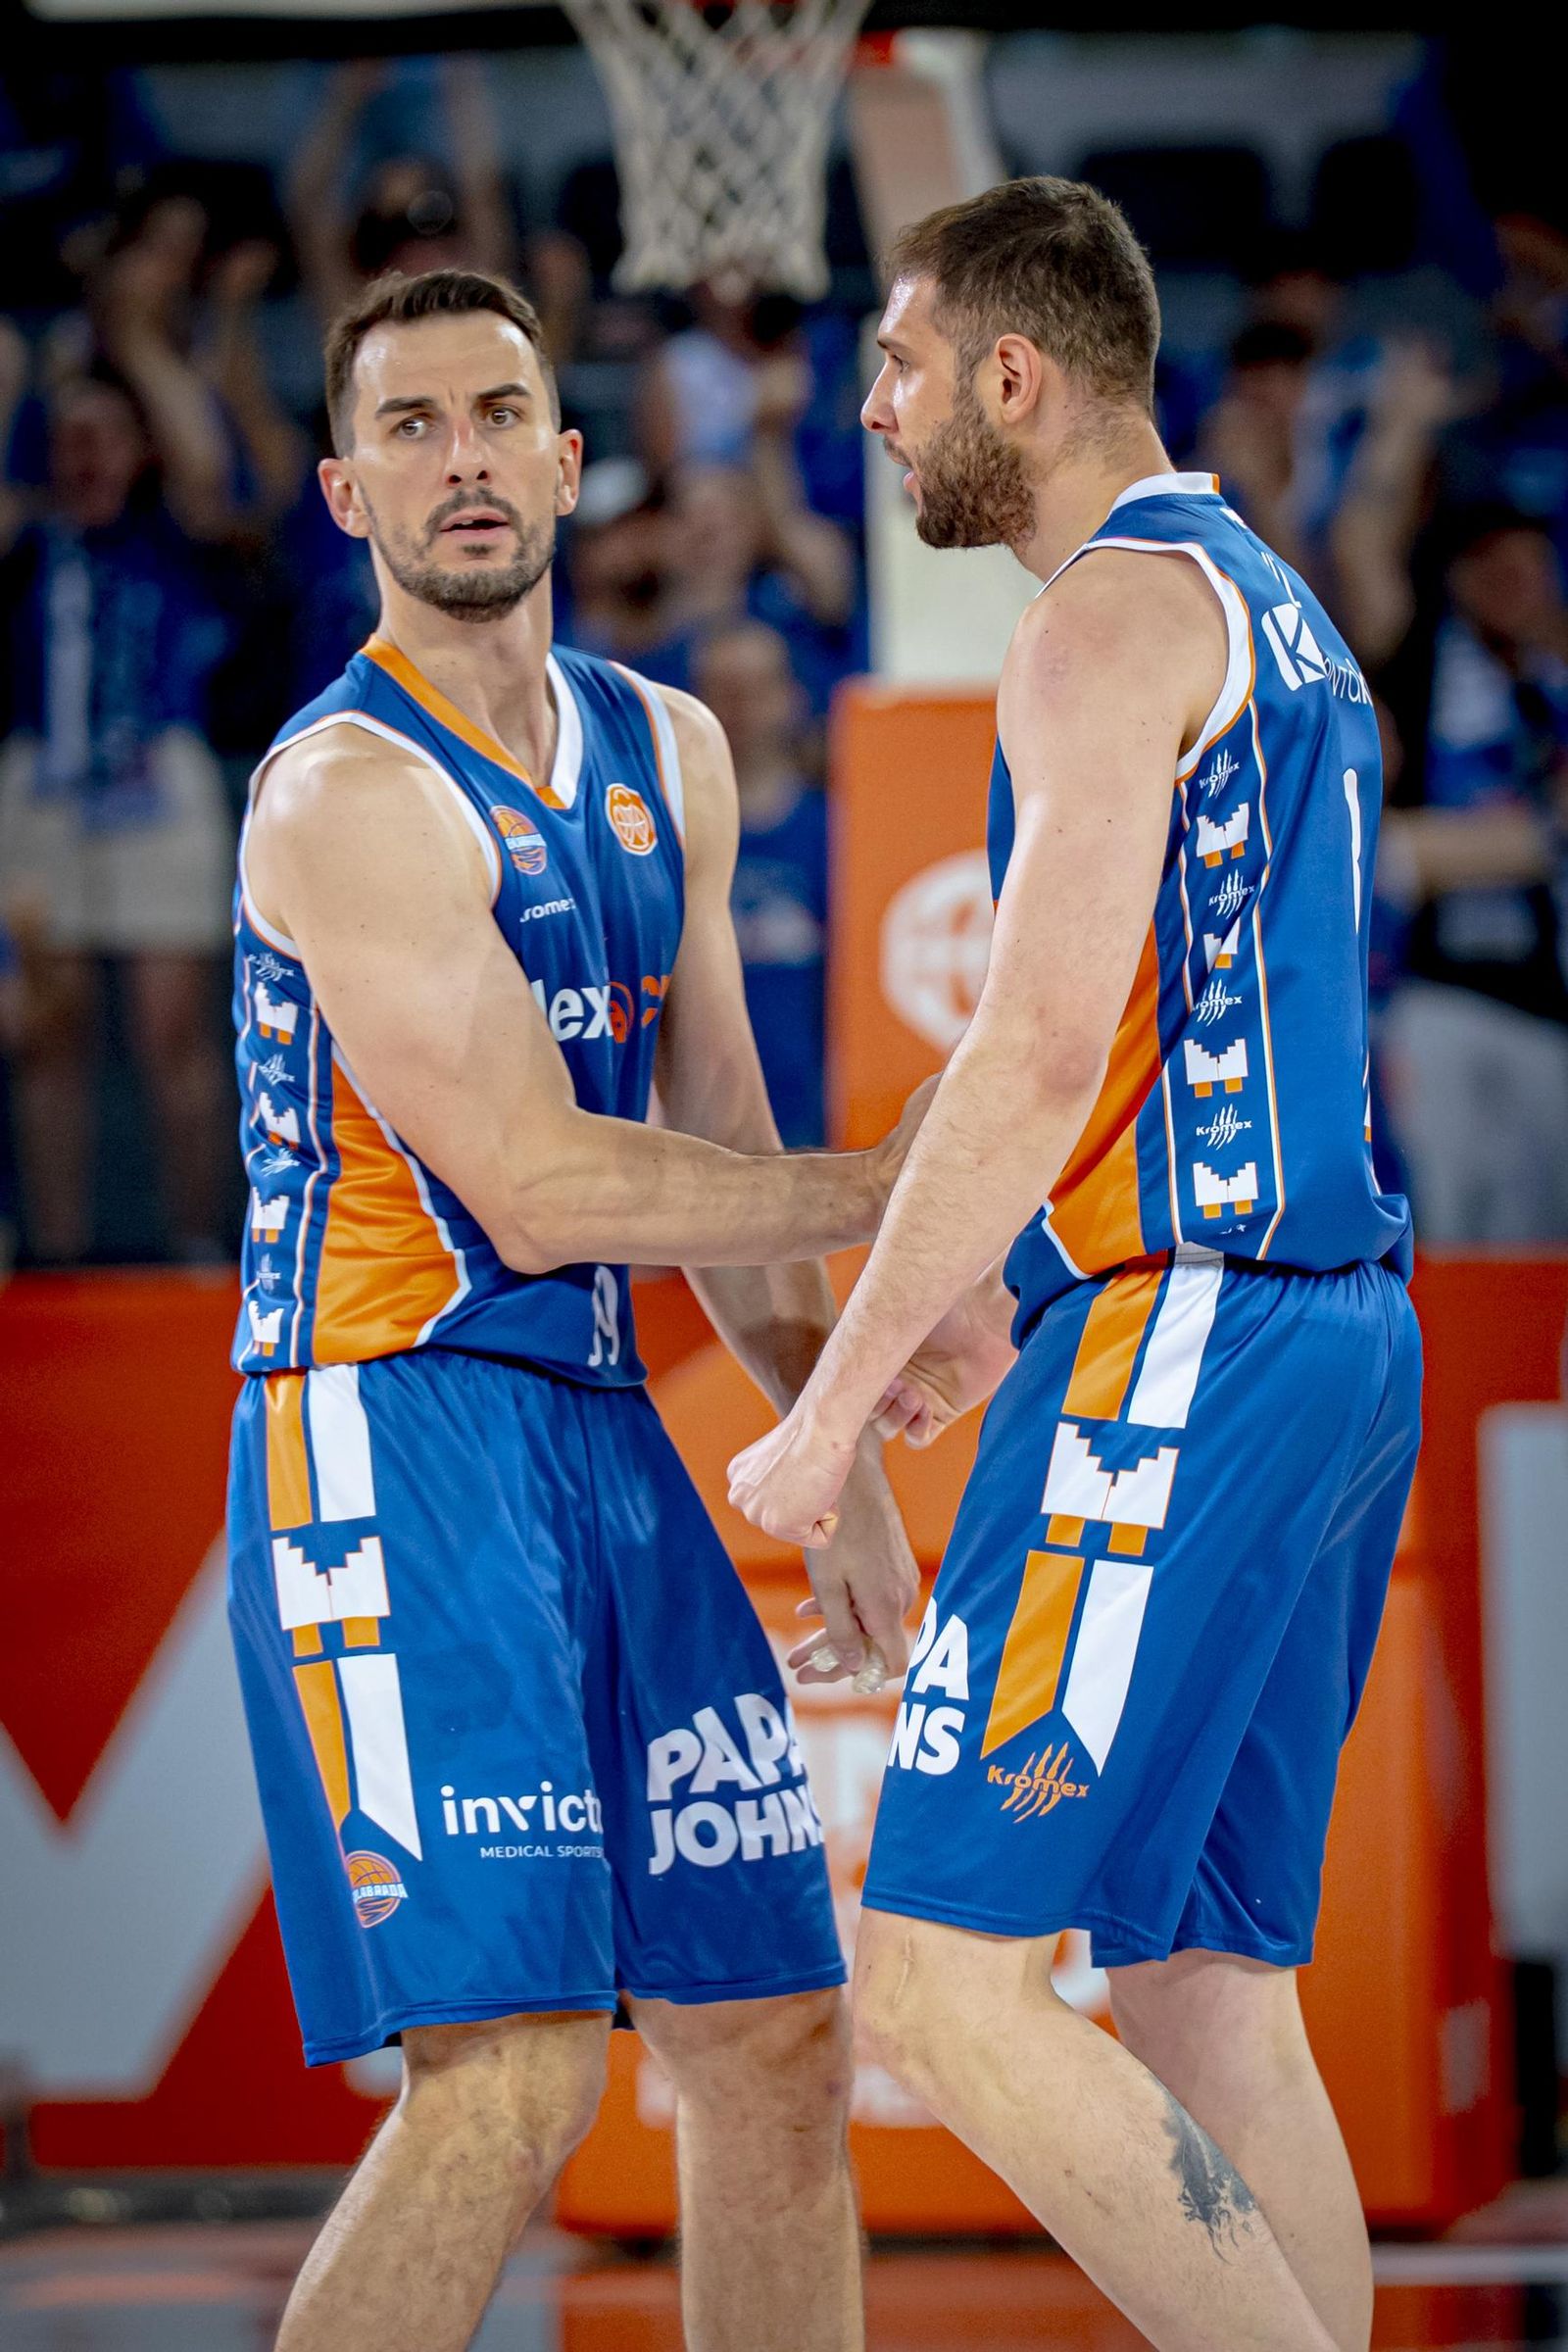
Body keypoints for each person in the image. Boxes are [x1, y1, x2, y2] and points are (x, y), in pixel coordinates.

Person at [729, 176, 1421, 2352]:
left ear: (1009, 375)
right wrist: (960, 1298)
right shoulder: (1267, 604)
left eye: (899, 366)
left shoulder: (1096, 624)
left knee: (939, 1974)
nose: (871, 410)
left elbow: (1036, 1054)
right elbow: (1092, 1025)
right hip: (1330, 1337)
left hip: (1194, 1330)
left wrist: (828, 1405)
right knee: (1208, 1993)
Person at [225, 266, 922, 2352]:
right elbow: (536, 1191)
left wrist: (841, 1475)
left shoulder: (668, 749)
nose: (460, 459)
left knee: (777, 2036)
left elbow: (713, 1132)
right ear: (346, 491)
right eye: (411, 429)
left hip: (605, 1437)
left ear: (568, 457)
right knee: (512, 2076)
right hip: (400, 1426)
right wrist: (903, 1190)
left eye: (494, 414)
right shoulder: (342, 793)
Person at [694, 621, 828, 1147]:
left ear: (792, 698)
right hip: (696, 1124)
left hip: (813, 1122)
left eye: (757, 689)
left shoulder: (836, 832)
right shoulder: (660, 837)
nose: (740, 708)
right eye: (722, 690)